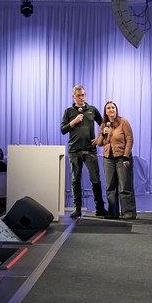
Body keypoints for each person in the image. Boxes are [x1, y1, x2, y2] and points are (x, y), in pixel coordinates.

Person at [60, 85, 107, 218]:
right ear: (73, 97)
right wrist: (74, 121)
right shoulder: (68, 111)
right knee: (76, 180)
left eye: (83, 95)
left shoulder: (92, 110)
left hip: (90, 150)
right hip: (74, 150)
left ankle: (100, 208)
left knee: (95, 179)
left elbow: (103, 124)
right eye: (78, 95)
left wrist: (99, 139)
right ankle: (77, 209)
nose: (81, 98)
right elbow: (63, 130)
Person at [93, 101, 137, 219]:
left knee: (124, 186)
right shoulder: (104, 125)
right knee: (110, 187)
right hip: (108, 159)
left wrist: (126, 156)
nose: (111, 109)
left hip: (122, 158)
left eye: (113, 107)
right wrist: (103, 134)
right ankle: (113, 212)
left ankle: (128, 212)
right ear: (105, 112)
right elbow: (99, 143)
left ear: (116, 110)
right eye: (108, 108)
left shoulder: (124, 122)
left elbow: (130, 140)